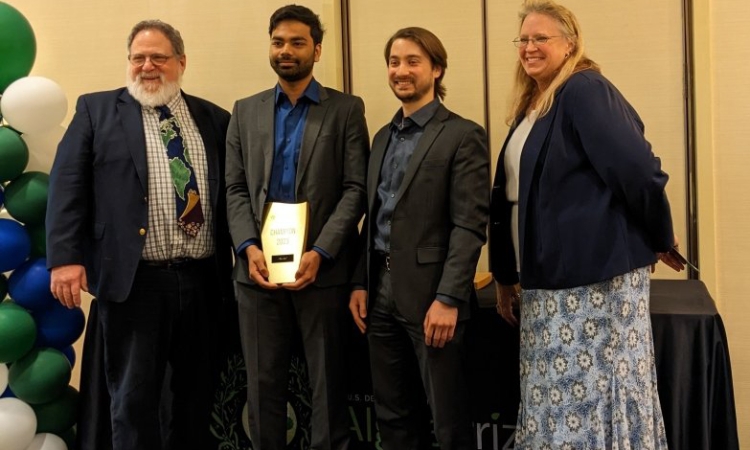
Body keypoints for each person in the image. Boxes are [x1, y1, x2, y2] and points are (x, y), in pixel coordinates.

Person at [489, 1, 685, 448]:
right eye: (523, 39)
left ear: (570, 43)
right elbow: (510, 201)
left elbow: (638, 171)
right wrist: (505, 275)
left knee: (594, 404)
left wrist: (659, 235)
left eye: (542, 38)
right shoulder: (535, 104)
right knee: (554, 407)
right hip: (547, 287)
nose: (530, 46)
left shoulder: (584, 90)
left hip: (594, 287)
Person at [46, 20, 233, 450]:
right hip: (135, 284)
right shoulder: (96, 110)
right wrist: (65, 258)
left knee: (194, 399)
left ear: (181, 62)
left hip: (202, 281)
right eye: (138, 57)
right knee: (132, 401)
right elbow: (66, 185)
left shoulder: (215, 118)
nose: (147, 66)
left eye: (158, 57)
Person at [224, 5, 369, 450]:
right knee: (263, 385)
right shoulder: (244, 111)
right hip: (257, 272)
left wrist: (321, 252)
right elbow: (233, 188)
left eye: (297, 42)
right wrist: (248, 246)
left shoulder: (345, 109)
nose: (286, 51)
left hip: (321, 272)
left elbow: (355, 189)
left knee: (327, 385)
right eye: (278, 41)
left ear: (317, 50)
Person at [349, 27, 490, 450]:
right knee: (393, 417)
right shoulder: (381, 137)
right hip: (380, 295)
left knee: (447, 420)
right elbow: (372, 220)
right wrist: (359, 281)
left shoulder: (463, 135)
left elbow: (469, 226)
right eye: (394, 62)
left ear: (437, 69)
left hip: (432, 298)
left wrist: (449, 299)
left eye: (413, 61)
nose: (401, 71)